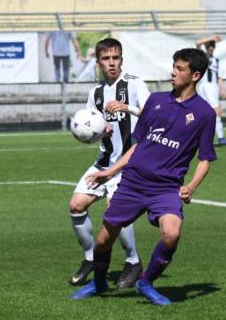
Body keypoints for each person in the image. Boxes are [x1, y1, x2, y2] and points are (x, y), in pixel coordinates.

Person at [71, 48, 216, 305]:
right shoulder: (156, 101)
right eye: (173, 66)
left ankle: (146, 282)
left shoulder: (204, 114)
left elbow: (205, 158)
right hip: (134, 182)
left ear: (195, 75)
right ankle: (99, 283)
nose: (172, 72)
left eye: (179, 68)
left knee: (172, 233)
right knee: (104, 240)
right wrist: (110, 172)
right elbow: (138, 145)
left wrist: (192, 186)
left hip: (166, 187)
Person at [69, 38, 150, 288]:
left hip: (128, 163)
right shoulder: (95, 93)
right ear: (98, 63)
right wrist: (99, 131)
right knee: (76, 205)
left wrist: (128, 108)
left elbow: (154, 115)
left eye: (115, 58)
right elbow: (92, 124)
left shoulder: (134, 84)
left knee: (115, 211)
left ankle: (133, 262)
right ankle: (91, 258)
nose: (111, 63)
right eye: (106, 59)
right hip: (104, 161)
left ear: (121, 60)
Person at [196, 35, 226, 145]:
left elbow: (218, 76)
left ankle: (203, 137)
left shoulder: (216, 60)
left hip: (213, 86)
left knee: (207, 112)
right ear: (206, 47)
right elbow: (198, 42)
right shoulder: (202, 57)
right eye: (209, 45)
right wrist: (212, 38)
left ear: (214, 48)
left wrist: (223, 89)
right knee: (215, 111)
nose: (211, 47)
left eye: (212, 46)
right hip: (206, 85)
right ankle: (220, 137)